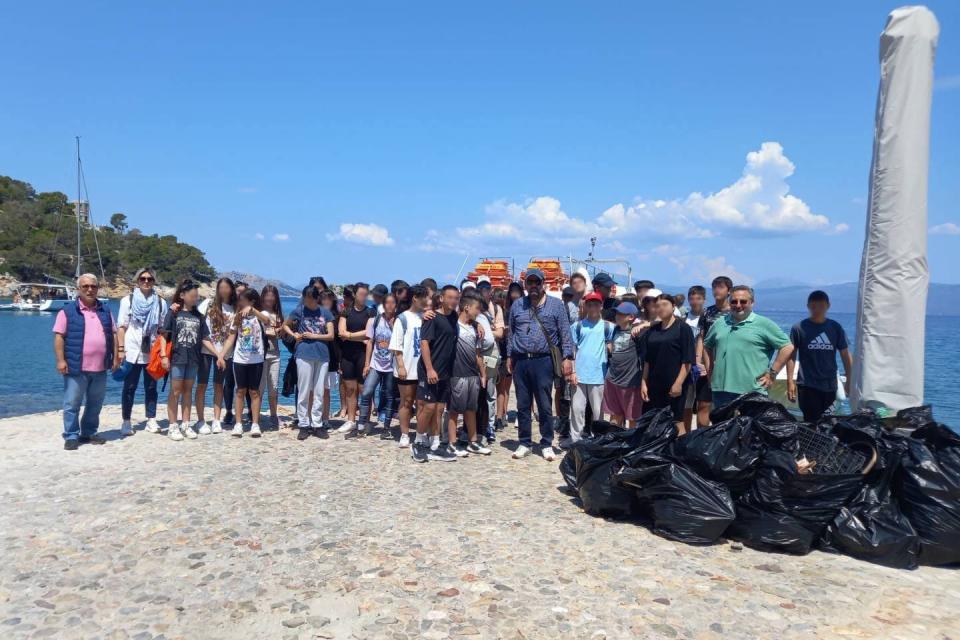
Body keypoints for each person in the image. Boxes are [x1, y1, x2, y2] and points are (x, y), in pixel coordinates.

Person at [506, 269, 574, 461]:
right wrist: (509, 355)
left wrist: (567, 357)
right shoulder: (518, 305)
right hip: (521, 360)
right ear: (526, 285)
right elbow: (511, 333)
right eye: (530, 282)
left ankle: (546, 443)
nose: (534, 286)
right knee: (522, 403)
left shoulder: (556, 305)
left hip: (543, 360)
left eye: (537, 282)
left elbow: (565, 332)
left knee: (544, 403)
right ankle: (524, 442)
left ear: (543, 284)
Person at [52, 274, 119, 450]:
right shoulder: (67, 312)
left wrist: (116, 357)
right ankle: (71, 435)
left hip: (100, 367)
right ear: (78, 289)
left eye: (93, 286)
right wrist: (60, 360)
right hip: (76, 366)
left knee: (95, 403)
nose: (90, 289)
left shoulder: (105, 311)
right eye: (85, 286)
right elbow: (59, 337)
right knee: (72, 403)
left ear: (97, 289)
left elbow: (113, 334)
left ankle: (88, 432)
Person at [703, 285, 794, 410]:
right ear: (729, 303)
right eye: (734, 301)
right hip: (721, 391)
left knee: (752, 423)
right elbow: (707, 346)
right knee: (722, 423)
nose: (738, 305)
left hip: (752, 390)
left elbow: (787, 347)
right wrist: (710, 372)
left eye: (743, 301)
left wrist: (773, 373)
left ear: (752, 302)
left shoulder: (764, 324)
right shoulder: (719, 323)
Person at [160, 280, 214, 441]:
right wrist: (163, 356)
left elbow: (205, 338)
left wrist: (217, 354)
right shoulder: (174, 313)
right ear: (183, 295)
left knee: (188, 391)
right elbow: (164, 335)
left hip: (193, 359)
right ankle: (172, 426)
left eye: (197, 296)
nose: (195, 299)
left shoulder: (199, 316)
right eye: (192, 296)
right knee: (175, 391)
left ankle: (185, 423)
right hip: (177, 358)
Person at [787, 290, 853, 422]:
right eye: (813, 306)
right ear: (808, 306)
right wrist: (790, 382)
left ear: (828, 306)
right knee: (811, 423)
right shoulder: (798, 328)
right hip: (807, 385)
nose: (817, 310)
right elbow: (791, 356)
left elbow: (845, 355)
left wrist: (850, 380)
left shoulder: (835, 327)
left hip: (830, 385)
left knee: (828, 423)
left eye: (821, 306)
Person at [412, 285, 461, 462]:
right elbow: (424, 343)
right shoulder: (431, 317)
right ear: (441, 298)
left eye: (456, 298)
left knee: (439, 409)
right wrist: (430, 369)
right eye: (450, 297)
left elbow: (466, 320)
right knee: (429, 407)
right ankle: (418, 442)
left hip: (445, 371)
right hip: (429, 369)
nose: (453, 301)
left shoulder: (454, 316)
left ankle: (435, 444)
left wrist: (477, 324)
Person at [117, 267, 167, 436]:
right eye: (142, 278)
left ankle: (151, 419)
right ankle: (126, 421)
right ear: (137, 280)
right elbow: (121, 327)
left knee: (151, 387)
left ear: (154, 281)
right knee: (129, 387)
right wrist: (120, 349)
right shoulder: (128, 301)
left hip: (151, 351)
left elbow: (162, 330)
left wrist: (162, 352)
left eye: (149, 279)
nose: (146, 281)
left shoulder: (160, 303)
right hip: (132, 350)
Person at [286, 286, 336, 439]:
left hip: (322, 355)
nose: (308, 301)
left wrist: (314, 336)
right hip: (304, 354)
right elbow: (285, 325)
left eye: (311, 298)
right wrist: (294, 335)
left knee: (319, 391)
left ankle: (317, 424)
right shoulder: (299, 311)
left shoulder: (325, 313)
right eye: (306, 298)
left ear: (316, 298)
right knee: (304, 390)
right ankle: (303, 424)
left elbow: (331, 335)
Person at [446, 293, 493, 457]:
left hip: (472, 374)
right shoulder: (453, 326)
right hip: (456, 374)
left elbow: (478, 353)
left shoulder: (475, 328)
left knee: (471, 409)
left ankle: (473, 442)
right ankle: (451, 443)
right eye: (476, 309)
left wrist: (483, 373)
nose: (478, 312)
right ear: (467, 307)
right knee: (454, 410)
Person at [641, 294, 696, 433]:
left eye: (665, 304)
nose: (661, 308)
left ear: (673, 307)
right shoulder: (652, 330)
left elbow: (688, 360)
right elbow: (647, 360)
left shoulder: (683, 328)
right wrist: (643, 382)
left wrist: (678, 383)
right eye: (658, 306)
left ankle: (681, 447)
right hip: (654, 384)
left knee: (676, 421)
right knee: (652, 420)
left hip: (674, 383)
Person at [569, 292, 614, 443]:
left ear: (601, 306)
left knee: (598, 412)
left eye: (596, 304)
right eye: (590, 304)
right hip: (579, 375)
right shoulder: (577, 326)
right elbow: (572, 351)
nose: (593, 307)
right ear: (585, 306)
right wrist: (572, 371)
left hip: (599, 376)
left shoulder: (608, 327)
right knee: (577, 410)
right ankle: (575, 441)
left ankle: (597, 441)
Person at [196, 277, 236, 433]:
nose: (224, 290)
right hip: (206, 351)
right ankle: (200, 420)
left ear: (231, 290)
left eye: (227, 287)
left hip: (224, 353)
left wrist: (222, 354)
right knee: (202, 385)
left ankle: (216, 420)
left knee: (219, 385)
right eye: (221, 287)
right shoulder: (208, 304)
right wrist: (217, 353)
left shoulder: (234, 309)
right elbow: (199, 326)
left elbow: (232, 335)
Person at [225, 289, 267, 438]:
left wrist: (253, 310)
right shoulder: (238, 316)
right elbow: (231, 337)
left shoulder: (260, 315)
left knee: (254, 392)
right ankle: (238, 424)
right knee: (240, 391)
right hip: (240, 359)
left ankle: (255, 424)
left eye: (242, 299)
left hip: (256, 359)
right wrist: (221, 355)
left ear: (251, 301)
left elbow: (268, 321)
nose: (240, 302)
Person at [390, 284, 427, 448]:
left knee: (422, 403)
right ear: (415, 298)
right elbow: (396, 345)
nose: (426, 300)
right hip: (407, 367)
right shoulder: (402, 318)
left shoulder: (425, 316)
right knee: (406, 401)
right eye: (423, 297)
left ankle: (420, 433)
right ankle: (404, 433)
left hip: (422, 369)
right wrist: (401, 366)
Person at [358, 293, 399, 438]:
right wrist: (366, 364)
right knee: (366, 391)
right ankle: (362, 424)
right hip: (376, 364)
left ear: (396, 305)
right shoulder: (374, 320)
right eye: (387, 302)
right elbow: (370, 342)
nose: (390, 305)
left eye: (393, 303)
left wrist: (393, 326)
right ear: (383, 304)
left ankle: (386, 427)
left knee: (389, 396)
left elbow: (400, 342)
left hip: (391, 365)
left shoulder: (399, 322)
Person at [337, 283, 374, 434]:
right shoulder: (346, 311)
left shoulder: (370, 312)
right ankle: (351, 420)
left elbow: (369, 333)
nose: (363, 297)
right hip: (347, 355)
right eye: (361, 294)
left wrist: (351, 335)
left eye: (366, 295)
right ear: (355, 294)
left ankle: (365, 421)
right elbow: (341, 332)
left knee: (364, 389)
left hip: (363, 355)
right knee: (350, 389)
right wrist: (360, 338)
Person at [696, 276, 733, 426]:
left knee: (727, 406)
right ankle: (701, 436)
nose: (716, 290)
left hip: (728, 364)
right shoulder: (707, 312)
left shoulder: (735, 311)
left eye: (721, 287)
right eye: (714, 287)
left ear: (729, 291)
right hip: (707, 362)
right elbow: (701, 337)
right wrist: (698, 360)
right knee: (703, 404)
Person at [602, 301, 645, 427]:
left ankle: (632, 439)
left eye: (621, 314)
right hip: (612, 379)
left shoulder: (637, 332)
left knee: (633, 417)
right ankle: (615, 438)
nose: (617, 316)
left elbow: (656, 321)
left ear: (631, 317)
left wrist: (644, 324)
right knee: (615, 415)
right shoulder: (615, 329)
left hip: (630, 382)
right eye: (617, 313)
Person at [475, 281, 504, 444]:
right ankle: (478, 425)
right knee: (477, 392)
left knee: (490, 391)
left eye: (486, 288)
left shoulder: (495, 309)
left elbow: (500, 334)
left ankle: (490, 426)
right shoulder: (473, 312)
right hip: (476, 354)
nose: (483, 291)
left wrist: (486, 331)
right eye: (480, 288)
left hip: (491, 354)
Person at [683, 285, 709, 431]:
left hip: (704, 367)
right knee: (686, 405)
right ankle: (686, 436)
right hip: (687, 366)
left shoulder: (709, 318)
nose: (695, 302)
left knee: (703, 404)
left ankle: (701, 435)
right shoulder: (683, 318)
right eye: (692, 298)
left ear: (704, 299)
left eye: (698, 298)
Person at [258, 285, 284, 429]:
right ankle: (256, 414)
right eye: (267, 295)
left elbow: (280, 334)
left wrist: (280, 331)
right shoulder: (259, 313)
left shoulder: (278, 314)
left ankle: (274, 415)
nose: (269, 298)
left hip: (275, 354)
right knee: (260, 386)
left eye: (272, 296)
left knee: (274, 386)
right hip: (261, 354)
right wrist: (271, 332)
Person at [493, 287, 517, 431]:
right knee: (500, 387)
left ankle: (501, 414)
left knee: (503, 387)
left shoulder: (508, 313)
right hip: (498, 350)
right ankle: (500, 415)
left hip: (505, 351)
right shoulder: (494, 312)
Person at [319, 290, 341, 426]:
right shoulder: (316, 316)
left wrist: (339, 361)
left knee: (326, 390)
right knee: (314, 390)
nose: (326, 301)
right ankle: (314, 418)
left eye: (329, 299)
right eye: (323, 299)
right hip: (317, 355)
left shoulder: (337, 317)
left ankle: (325, 418)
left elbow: (339, 342)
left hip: (331, 357)